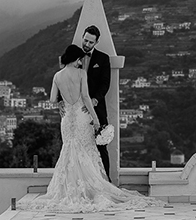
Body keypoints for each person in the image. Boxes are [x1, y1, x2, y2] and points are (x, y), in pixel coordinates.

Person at [17, 44, 161, 213]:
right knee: (87, 151)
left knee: (69, 152)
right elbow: (85, 97)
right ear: (76, 59)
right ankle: (90, 190)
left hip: (66, 119)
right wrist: (96, 118)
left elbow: (52, 99)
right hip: (81, 116)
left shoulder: (57, 76)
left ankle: (70, 191)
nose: (81, 62)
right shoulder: (80, 73)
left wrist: (62, 102)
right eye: (80, 59)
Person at [81, 25, 111, 178]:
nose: (87, 45)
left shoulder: (103, 59)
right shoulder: (73, 56)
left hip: (97, 108)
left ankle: (107, 180)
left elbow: (105, 84)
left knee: (101, 146)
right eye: (85, 40)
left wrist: (95, 100)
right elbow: (62, 79)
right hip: (78, 110)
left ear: (96, 42)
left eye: (90, 42)